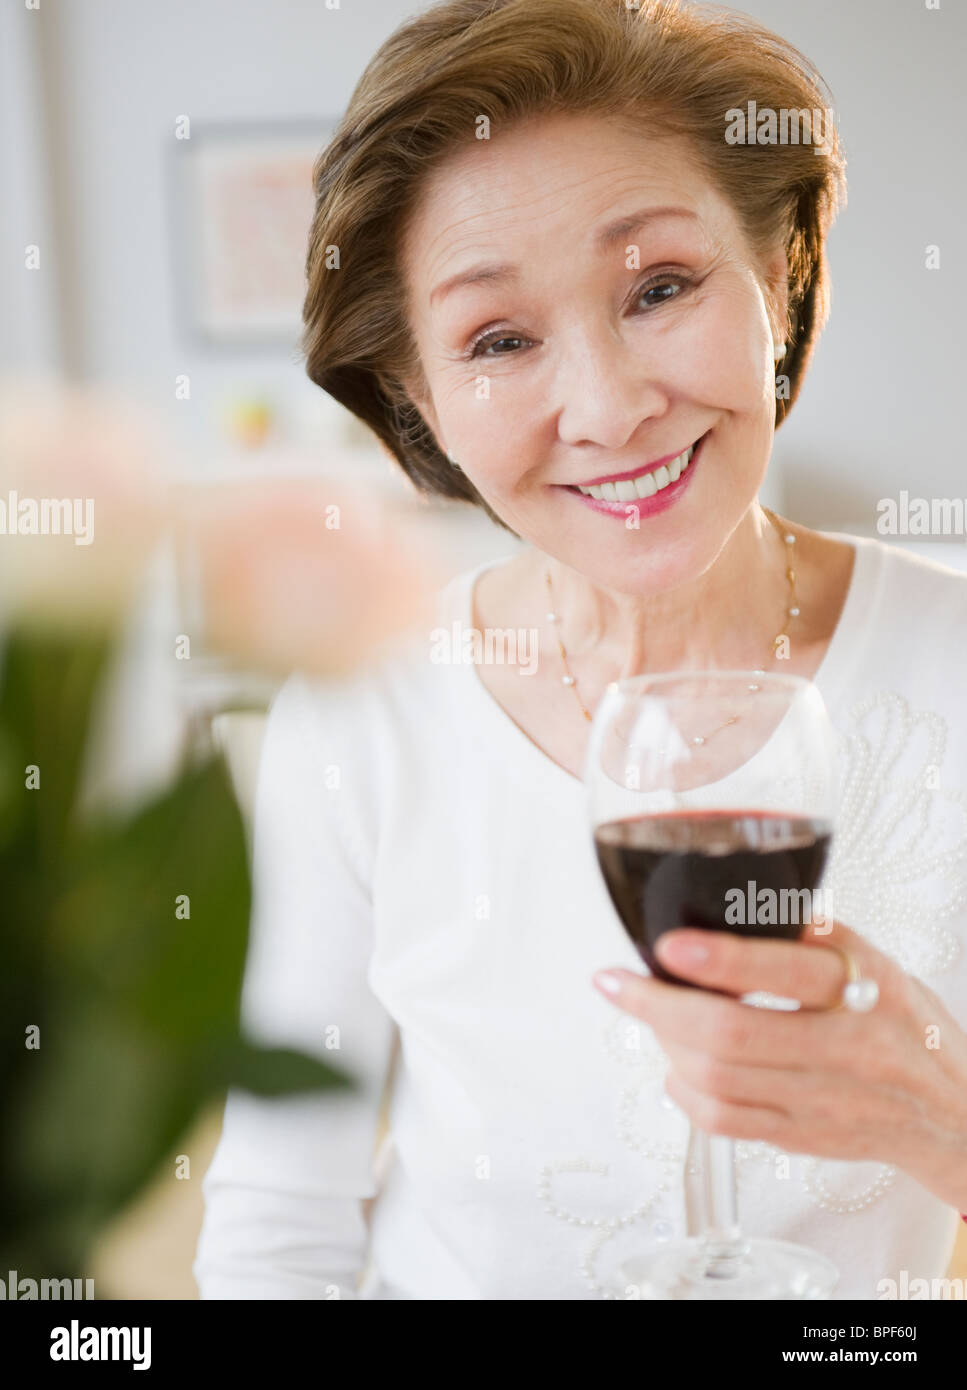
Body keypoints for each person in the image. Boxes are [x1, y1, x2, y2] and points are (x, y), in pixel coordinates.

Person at [193, 0, 967, 1300]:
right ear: (418, 400)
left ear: (779, 274)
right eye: (499, 340)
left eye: (659, 287)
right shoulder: (364, 709)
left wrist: (943, 1119)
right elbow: (278, 1228)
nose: (610, 409)